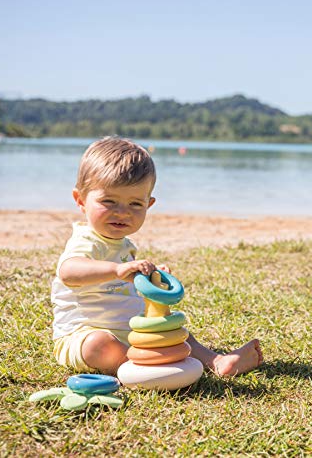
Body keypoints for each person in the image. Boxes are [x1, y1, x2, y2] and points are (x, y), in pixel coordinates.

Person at [51, 136, 263, 376]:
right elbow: (69, 272)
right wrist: (117, 270)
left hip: (129, 329)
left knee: (173, 329)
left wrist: (152, 279)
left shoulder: (124, 244)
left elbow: (129, 286)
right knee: (98, 345)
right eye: (108, 201)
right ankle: (144, 368)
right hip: (83, 335)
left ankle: (216, 361)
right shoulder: (86, 240)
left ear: (149, 204)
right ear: (80, 200)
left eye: (135, 204)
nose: (122, 212)